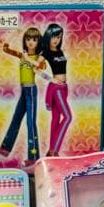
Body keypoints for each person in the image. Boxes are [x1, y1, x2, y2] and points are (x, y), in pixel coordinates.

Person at [0, 27, 46, 165]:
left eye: (34, 40)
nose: (31, 42)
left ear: (38, 41)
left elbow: (42, 67)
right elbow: (6, 49)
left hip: (31, 91)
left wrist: (29, 59)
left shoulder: (39, 57)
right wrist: (13, 34)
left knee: (30, 123)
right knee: (16, 118)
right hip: (24, 91)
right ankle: (5, 148)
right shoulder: (22, 55)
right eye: (28, 39)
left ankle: (33, 157)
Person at [41, 23, 72, 156]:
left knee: (56, 119)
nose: (56, 40)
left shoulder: (60, 52)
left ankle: (50, 151)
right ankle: (55, 150)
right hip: (57, 89)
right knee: (68, 117)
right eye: (54, 36)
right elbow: (35, 68)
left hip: (64, 87)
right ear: (48, 36)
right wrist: (50, 78)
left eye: (59, 37)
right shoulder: (45, 52)